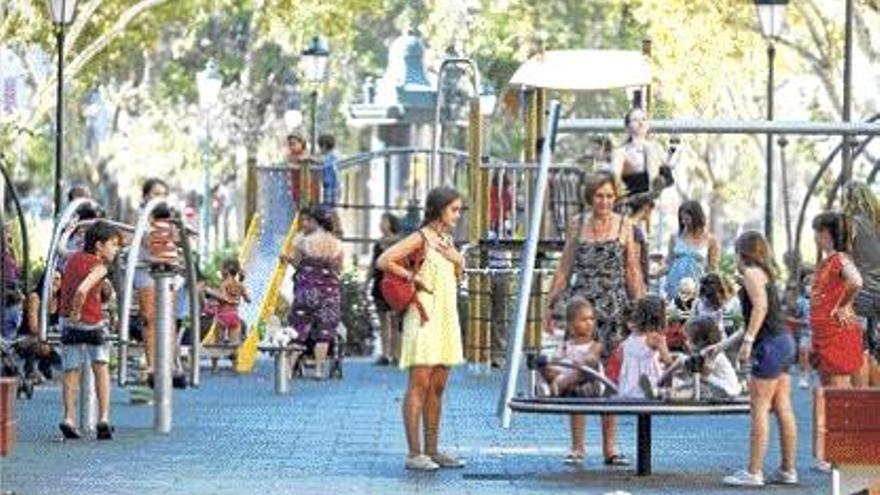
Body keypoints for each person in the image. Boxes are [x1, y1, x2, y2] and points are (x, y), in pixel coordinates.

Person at [544, 171, 644, 467]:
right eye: (600, 196)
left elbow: (633, 271)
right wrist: (548, 306)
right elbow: (563, 269)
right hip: (581, 308)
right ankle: (577, 447)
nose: (605, 201)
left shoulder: (626, 225)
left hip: (614, 309)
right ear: (590, 197)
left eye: (610, 196)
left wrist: (641, 313)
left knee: (609, 377)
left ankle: (610, 448)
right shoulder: (577, 224)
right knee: (577, 371)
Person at [377, 186, 466, 471]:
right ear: (439, 209)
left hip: (446, 318)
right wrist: (412, 277)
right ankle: (414, 453)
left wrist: (459, 261)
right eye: (454, 209)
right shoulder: (420, 238)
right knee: (420, 383)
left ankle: (433, 449)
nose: (458, 214)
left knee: (438, 385)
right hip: (424, 316)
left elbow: (457, 278)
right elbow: (384, 260)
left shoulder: (448, 241)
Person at [723, 231, 797, 487]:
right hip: (784, 342)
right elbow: (758, 317)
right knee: (783, 407)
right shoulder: (766, 275)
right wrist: (721, 345)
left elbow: (760, 308)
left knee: (759, 408)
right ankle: (788, 469)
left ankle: (754, 471)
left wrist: (748, 342)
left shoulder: (751, 274)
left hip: (769, 346)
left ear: (741, 252)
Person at [57, 221, 122, 440]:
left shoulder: (74, 257)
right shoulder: (100, 266)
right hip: (90, 323)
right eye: (113, 244)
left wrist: (67, 231)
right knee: (101, 368)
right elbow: (82, 290)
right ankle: (103, 418)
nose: (116, 249)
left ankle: (69, 418)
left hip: (67, 323)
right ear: (98, 246)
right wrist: (77, 311)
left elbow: (60, 249)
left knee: (71, 370)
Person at [809, 212, 864, 472]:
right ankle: (829, 452)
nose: (815, 237)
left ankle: (843, 454)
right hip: (824, 335)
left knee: (838, 395)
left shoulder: (840, 259)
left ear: (826, 233)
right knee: (827, 394)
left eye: (818, 231)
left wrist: (842, 306)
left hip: (837, 335)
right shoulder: (827, 261)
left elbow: (856, 281)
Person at [536, 297, 604, 465]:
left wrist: (579, 364)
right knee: (543, 361)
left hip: (588, 385)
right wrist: (551, 369)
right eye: (583, 320)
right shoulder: (566, 345)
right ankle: (577, 448)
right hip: (568, 385)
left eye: (591, 319)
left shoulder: (595, 345)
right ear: (571, 325)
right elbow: (558, 361)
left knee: (588, 366)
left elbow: (591, 360)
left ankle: (556, 385)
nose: (589, 323)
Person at [281, 205, 343, 379]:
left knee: (298, 329)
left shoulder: (303, 241)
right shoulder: (337, 244)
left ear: (316, 222)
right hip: (329, 293)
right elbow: (339, 268)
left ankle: (288, 369)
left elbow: (296, 263)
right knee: (324, 333)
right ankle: (318, 369)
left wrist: (289, 261)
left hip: (306, 291)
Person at [842, 181, 880, 386]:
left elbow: (846, 258)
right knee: (876, 349)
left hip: (862, 294)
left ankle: (864, 398)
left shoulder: (852, 223)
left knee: (861, 348)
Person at [134, 178, 169, 379]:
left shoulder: (167, 217)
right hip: (146, 268)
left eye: (163, 194)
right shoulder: (142, 217)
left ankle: (168, 363)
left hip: (165, 270)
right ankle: (151, 364)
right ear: (146, 196)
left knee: (167, 317)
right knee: (149, 317)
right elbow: (148, 242)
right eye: (156, 194)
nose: (159, 198)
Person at [618, 295, 674, 399]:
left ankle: (638, 388)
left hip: (627, 384)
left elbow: (620, 356)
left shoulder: (630, 335)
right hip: (651, 379)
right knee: (677, 383)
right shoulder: (656, 338)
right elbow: (668, 362)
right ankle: (656, 390)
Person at [610, 107, 673, 197]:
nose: (640, 123)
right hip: (630, 190)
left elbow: (667, 167)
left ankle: (653, 190)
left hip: (651, 188)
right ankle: (617, 190)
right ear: (628, 127)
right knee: (619, 152)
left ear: (648, 125)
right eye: (635, 120)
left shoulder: (655, 147)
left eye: (644, 119)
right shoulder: (621, 151)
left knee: (650, 148)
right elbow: (615, 170)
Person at [663, 201, 719, 300]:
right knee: (675, 314)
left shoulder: (710, 240)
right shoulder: (674, 237)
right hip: (675, 284)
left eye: (687, 219)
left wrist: (713, 290)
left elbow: (712, 269)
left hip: (697, 286)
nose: (684, 222)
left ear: (697, 218)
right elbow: (669, 263)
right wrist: (654, 273)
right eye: (682, 219)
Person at [370, 212, 402, 366]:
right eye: (381, 221)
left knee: (396, 321)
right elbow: (373, 264)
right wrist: (366, 281)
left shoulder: (401, 242)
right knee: (383, 321)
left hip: (396, 283)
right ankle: (385, 354)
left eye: (384, 221)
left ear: (392, 224)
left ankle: (397, 354)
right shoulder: (378, 243)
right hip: (379, 283)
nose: (381, 224)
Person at [286, 131, 320, 206]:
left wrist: (309, 158)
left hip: (307, 188)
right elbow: (289, 164)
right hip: (295, 187)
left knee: (306, 207)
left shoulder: (305, 153)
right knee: (297, 206)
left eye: (293, 144)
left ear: (301, 143)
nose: (292, 147)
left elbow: (318, 161)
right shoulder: (291, 156)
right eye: (290, 145)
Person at [318, 134, 340, 206]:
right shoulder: (330, 156)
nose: (320, 150)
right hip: (329, 185)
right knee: (329, 207)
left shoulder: (331, 156)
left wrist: (310, 158)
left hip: (332, 186)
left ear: (324, 146)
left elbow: (322, 162)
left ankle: (333, 216)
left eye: (320, 147)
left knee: (329, 208)